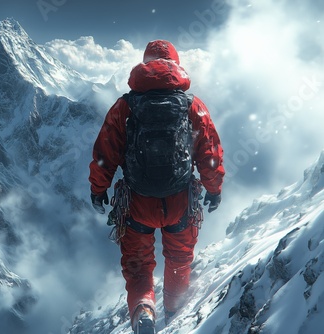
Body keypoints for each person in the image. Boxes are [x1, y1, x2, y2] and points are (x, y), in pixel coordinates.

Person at [89, 40, 225, 333]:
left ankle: (143, 312)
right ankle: (175, 314)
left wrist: (98, 189)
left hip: (136, 204)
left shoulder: (125, 106)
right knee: (179, 260)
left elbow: (105, 153)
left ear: (145, 65)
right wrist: (213, 189)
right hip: (180, 203)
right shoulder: (192, 106)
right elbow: (210, 153)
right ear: (176, 67)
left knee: (138, 267)